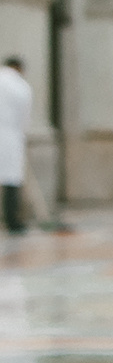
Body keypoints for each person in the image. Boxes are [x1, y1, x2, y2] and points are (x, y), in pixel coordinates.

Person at [0, 55, 32, 235]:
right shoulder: (21, 86)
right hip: (10, 136)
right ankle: (13, 222)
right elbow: (25, 118)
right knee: (11, 181)